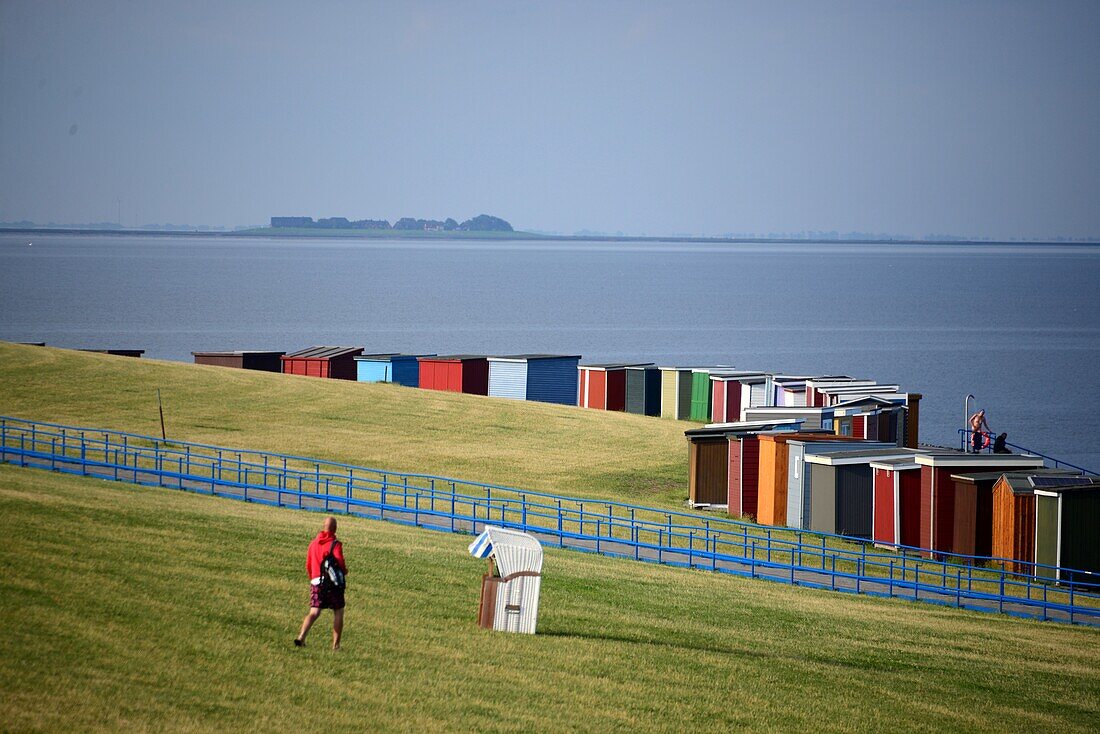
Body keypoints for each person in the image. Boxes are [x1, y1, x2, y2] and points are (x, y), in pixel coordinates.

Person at [295, 516, 347, 650]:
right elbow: (339, 561)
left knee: (314, 612)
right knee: (338, 611)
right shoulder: (335, 544)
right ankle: (336, 645)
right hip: (331, 583)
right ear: (335, 529)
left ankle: (301, 637)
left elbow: (308, 564)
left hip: (316, 581)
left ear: (324, 527)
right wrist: (344, 571)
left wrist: (312, 578)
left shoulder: (313, 544)